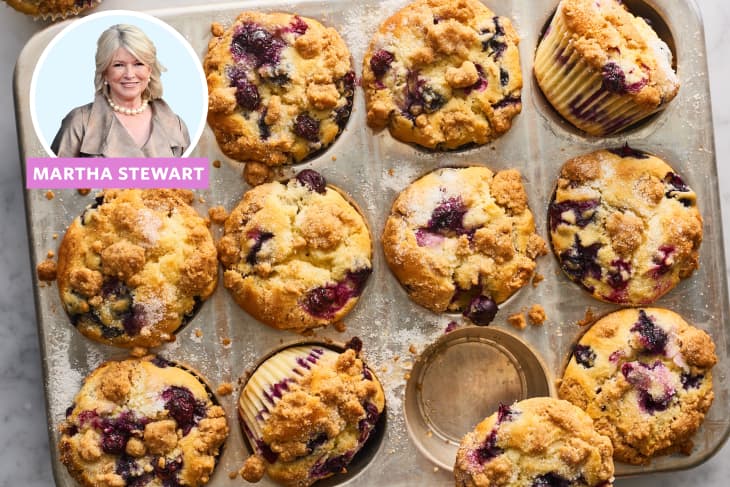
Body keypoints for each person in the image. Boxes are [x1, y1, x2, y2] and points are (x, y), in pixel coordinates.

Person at [51, 24, 190, 157]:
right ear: (105, 72)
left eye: (138, 64)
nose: (129, 74)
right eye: (119, 65)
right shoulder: (79, 123)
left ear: (149, 70)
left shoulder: (176, 125)